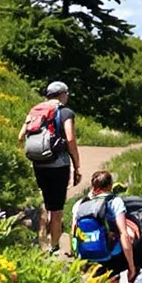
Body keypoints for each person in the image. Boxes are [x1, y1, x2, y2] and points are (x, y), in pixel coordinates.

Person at [23, 80, 81, 254]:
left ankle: (43, 240)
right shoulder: (65, 112)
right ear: (62, 94)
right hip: (58, 165)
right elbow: (70, 139)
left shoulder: (35, 111)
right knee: (57, 210)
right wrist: (77, 166)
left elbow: (21, 136)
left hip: (39, 164)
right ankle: (53, 247)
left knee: (47, 203)